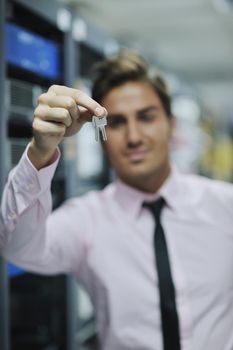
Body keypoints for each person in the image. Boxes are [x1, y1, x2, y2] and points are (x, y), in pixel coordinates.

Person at [1, 50, 233, 350]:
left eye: (146, 117)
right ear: (101, 134)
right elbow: (16, 248)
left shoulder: (225, 205)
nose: (134, 136)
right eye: (118, 123)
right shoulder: (85, 221)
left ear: (172, 125)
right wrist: (39, 153)